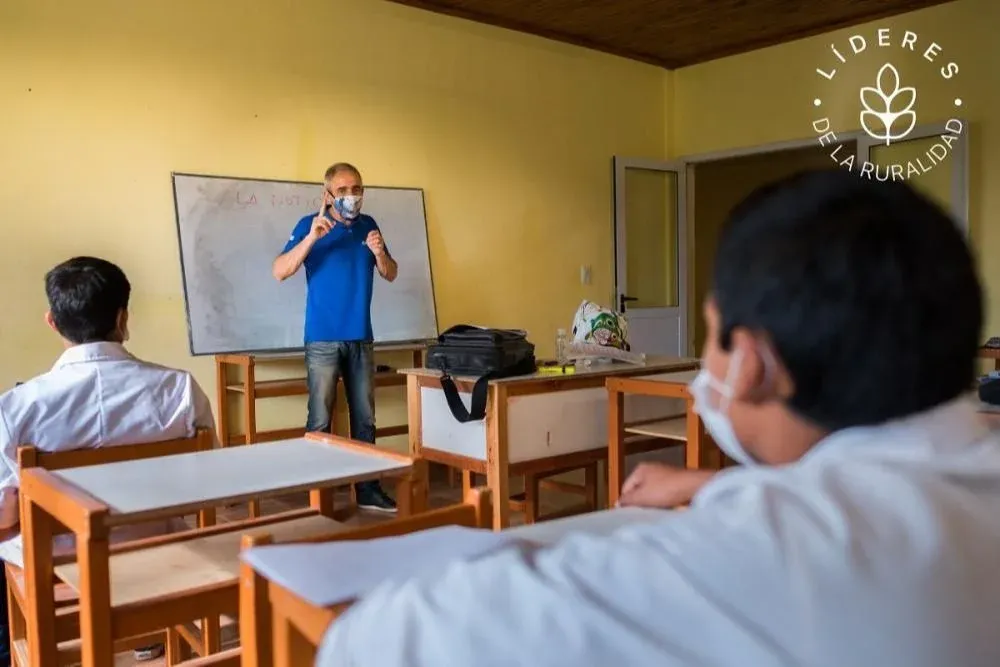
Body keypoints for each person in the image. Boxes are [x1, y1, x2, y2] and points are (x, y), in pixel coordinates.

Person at [315, 170, 1000, 667]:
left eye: (712, 335)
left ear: (753, 362)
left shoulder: (757, 559)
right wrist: (714, 485)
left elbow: (376, 642)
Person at [0, 257, 217, 664]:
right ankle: (146, 632)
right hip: (159, 550)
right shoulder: (181, 390)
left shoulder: (16, 409)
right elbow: (207, 483)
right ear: (123, 318)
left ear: (52, 321)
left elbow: (3, 517)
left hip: (57, 568)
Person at [272, 163, 399, 512]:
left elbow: (391, 273)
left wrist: (379, 253)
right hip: (323, 339)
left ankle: (368, 489)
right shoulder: (308, 225)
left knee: (365, 419)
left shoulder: (370, 225)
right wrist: (313, 236)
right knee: (319, 419)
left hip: (361, 337)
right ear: (327, 194)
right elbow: (280, 270)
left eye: (356, 188)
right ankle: (319, 495)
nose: (351, 196)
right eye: (342, 190)